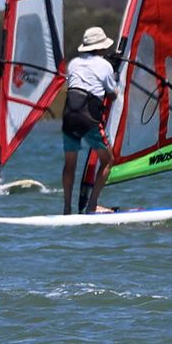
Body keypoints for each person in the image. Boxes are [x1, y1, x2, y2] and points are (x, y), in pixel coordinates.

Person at [62, 26, 120, 214]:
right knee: (108, 160)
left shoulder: (73, 63)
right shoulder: (105, 66)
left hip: (69, 115)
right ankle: (92, 205)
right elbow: (112, 95)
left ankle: (66, 209)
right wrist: (114, 75)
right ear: (101, 47)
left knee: (70, 164)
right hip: (88, 118)